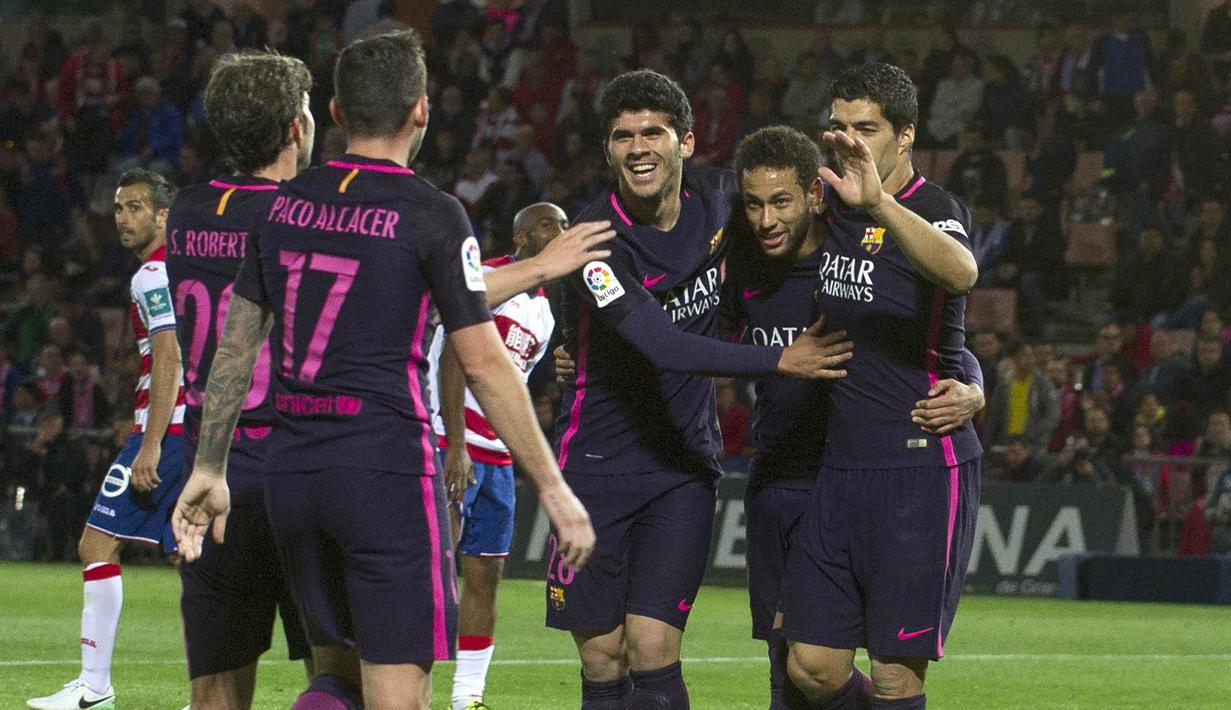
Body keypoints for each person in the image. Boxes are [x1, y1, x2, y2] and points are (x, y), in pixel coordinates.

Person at [170, 31, 595, 710]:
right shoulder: (431, 213)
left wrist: (209, 467)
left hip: (291, 471)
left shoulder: (280, 205)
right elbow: (484, 362)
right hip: (384, 473)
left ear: (335, 110)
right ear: (421, 110)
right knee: (398, 696)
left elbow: (235, 347)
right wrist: (553, 488)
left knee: (334, 679)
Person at [546, 69, 853, 710]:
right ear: (607, 150)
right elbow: (663, 345)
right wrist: (781, 358)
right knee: (603, 657)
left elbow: (794, 202)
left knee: (654, 650)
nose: (638, 148)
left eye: (653, 132)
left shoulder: (722, 199)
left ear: (686, 142)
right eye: (622, 136)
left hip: (683, 470)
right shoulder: (594, 241)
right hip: (594, 469)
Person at [725, 125, 985, 708]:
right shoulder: (743, 270)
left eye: (781, 202)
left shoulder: (848, 265)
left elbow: (929, 335)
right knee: (793, 670)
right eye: (754, 205)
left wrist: (973, 385)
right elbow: (694, 342)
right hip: (777, 485)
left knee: (869, 666)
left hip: (844, 476)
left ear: (815, 195)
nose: (766, 219)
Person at [163, 51, 316, 710]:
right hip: (297, 461)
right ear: (294, 128)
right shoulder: (301, 214)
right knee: (339, 672)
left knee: (217, 689)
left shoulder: (186, 211)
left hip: (213, 464)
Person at [27, 169, 186, 710]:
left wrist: (151, 442)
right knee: (193, 559)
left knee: (97, 543)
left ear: (163, 216)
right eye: (119, 207)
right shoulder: (183, 271)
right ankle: (213, 693)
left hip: (169, 432)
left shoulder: (151, 277)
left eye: (136, 206)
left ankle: (95, 687)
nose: (122, 216)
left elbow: (169, 356)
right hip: (190, 426)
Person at [428, 201, 589, 710]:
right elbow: (456, 358)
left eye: (563, 224)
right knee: (430, 574)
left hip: (496, 459)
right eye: (546, 224)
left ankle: (467, 697)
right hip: (449, 446)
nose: (558, 230)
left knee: (484, 579)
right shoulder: (485, 279)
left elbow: (510, 379)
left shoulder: (543, 309)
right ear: (520, 239)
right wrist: (454, 444)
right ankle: (400, 687)